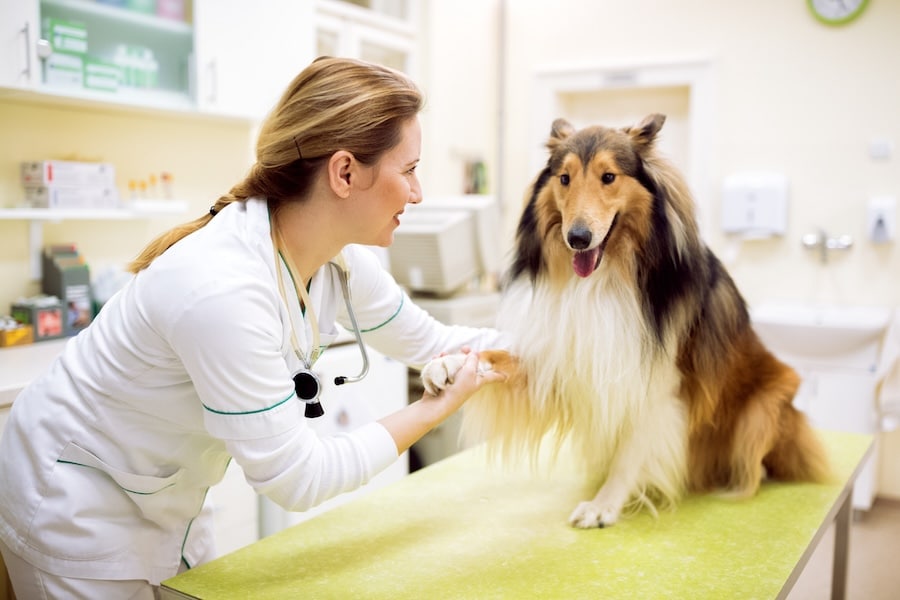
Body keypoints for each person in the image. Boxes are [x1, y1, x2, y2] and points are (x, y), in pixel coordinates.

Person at [0, 56, 506, 599]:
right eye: (408, 169)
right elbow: (298, 478)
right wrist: (434, 408)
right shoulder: (221, 288)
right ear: (344, 172)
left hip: (167, 496)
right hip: (73, 505)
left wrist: (554, 350)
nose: (418, 192)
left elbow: (435, 342)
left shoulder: (339, 261)